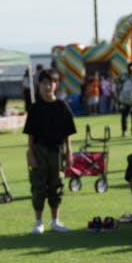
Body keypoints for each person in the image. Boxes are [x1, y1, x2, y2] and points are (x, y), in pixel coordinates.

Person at [24, 70, 77, 235]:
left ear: (56, 85)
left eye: (51, 83)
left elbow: (67, 133)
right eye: (44, 83)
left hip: (57, 150)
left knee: (57, 185)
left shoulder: (62, 106)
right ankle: (38, 222)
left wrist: (69, 153)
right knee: (38, 186)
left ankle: (55, 221)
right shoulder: (35, 108)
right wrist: (31, 154)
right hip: (39, 150)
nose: (47, 86)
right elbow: (30, 134)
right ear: (38, 85)